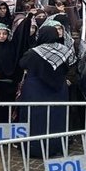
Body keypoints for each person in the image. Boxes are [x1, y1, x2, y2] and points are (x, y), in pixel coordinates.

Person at [18, 25, 73, 158]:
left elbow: (22, 64)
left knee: (35, 119)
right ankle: (56, 146)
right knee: (57, 118)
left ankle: (34, 148)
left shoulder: (33, 52)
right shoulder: (64, 50)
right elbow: (68, 67)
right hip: (59, 89)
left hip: (35, 89)